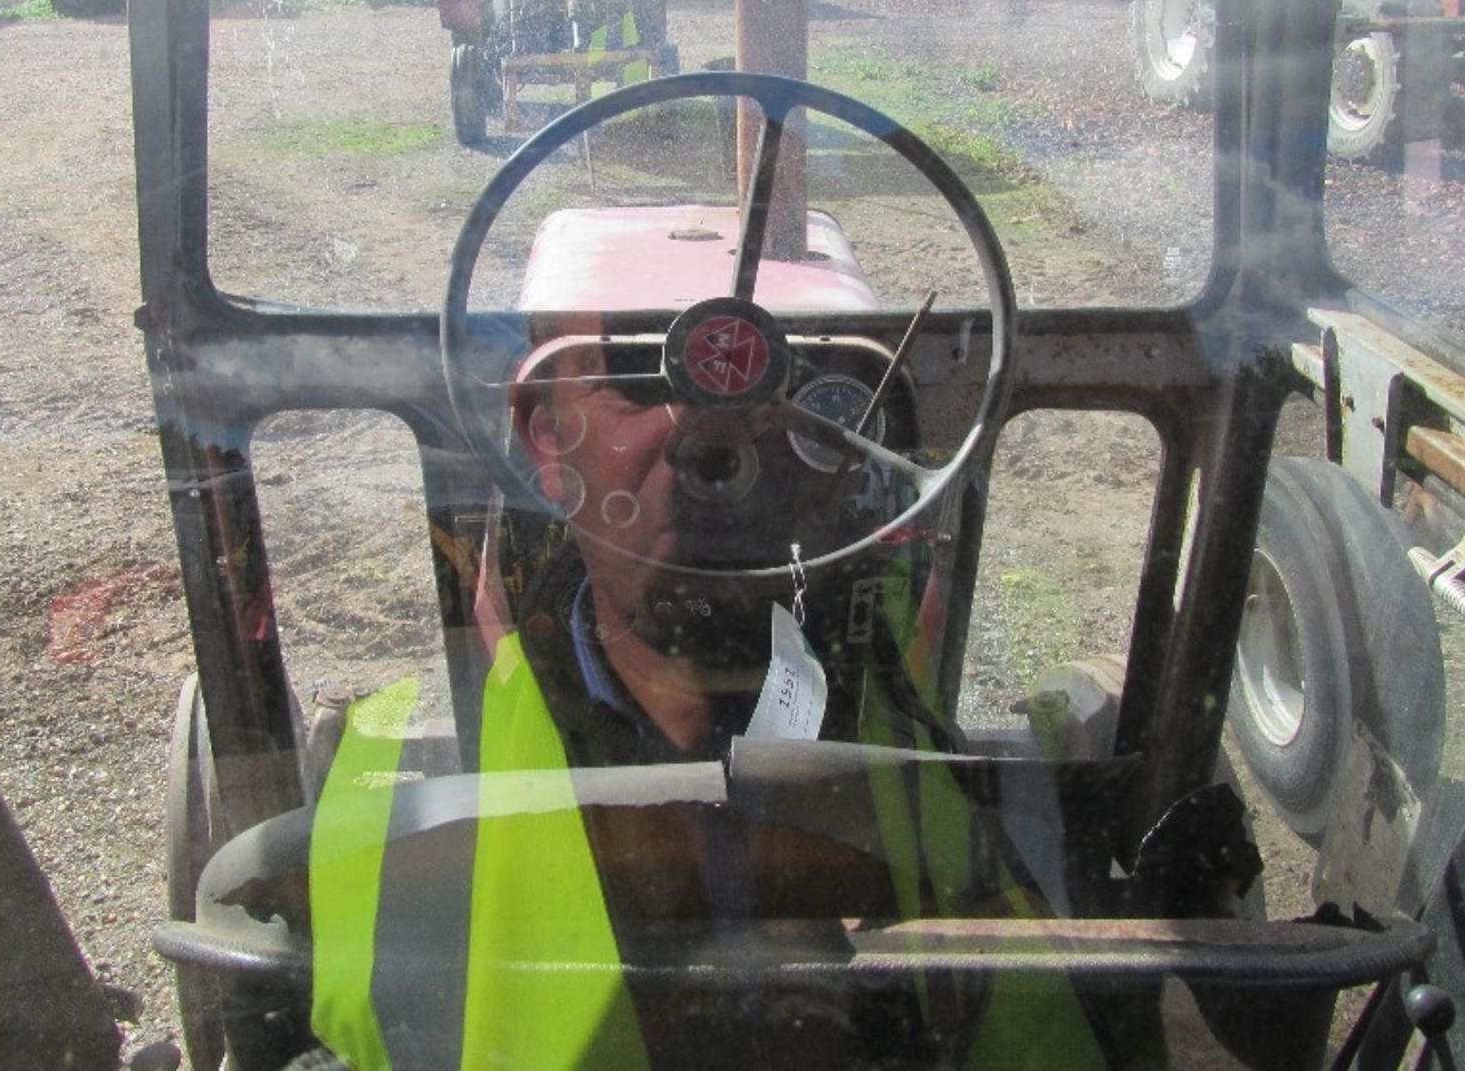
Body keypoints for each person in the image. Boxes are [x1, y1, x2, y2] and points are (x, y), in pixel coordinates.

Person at [309, 325, 1105, 1070]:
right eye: (641, 375)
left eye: (791, 393)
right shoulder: (379, 851)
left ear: (862, 451)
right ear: (545, 434)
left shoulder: (1018, 818)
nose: (716, 441)